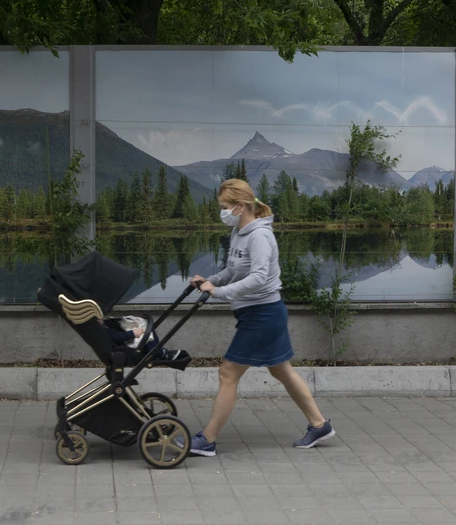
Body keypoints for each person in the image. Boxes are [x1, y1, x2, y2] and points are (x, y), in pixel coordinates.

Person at [183, 178, 335, 456]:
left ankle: (208, 439)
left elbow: (259, 277)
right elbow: (232, 271)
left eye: (225, 207)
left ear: (241, 206)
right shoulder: (239, 233)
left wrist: (218, 293)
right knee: (282, 371)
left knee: (228, 373)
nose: (223, 212)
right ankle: (319, 425)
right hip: (256, 313)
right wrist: (209, 280)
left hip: (263, 314)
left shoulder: (261, 236)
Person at [101, 316, 183, 361]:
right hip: (129, 345)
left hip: (127, 338)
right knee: (146, 339)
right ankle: (161, 353)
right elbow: (116, 337)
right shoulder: (104, 329)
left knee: (147, 329)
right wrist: (133, 333)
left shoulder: (105, 324)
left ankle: (159, 349)